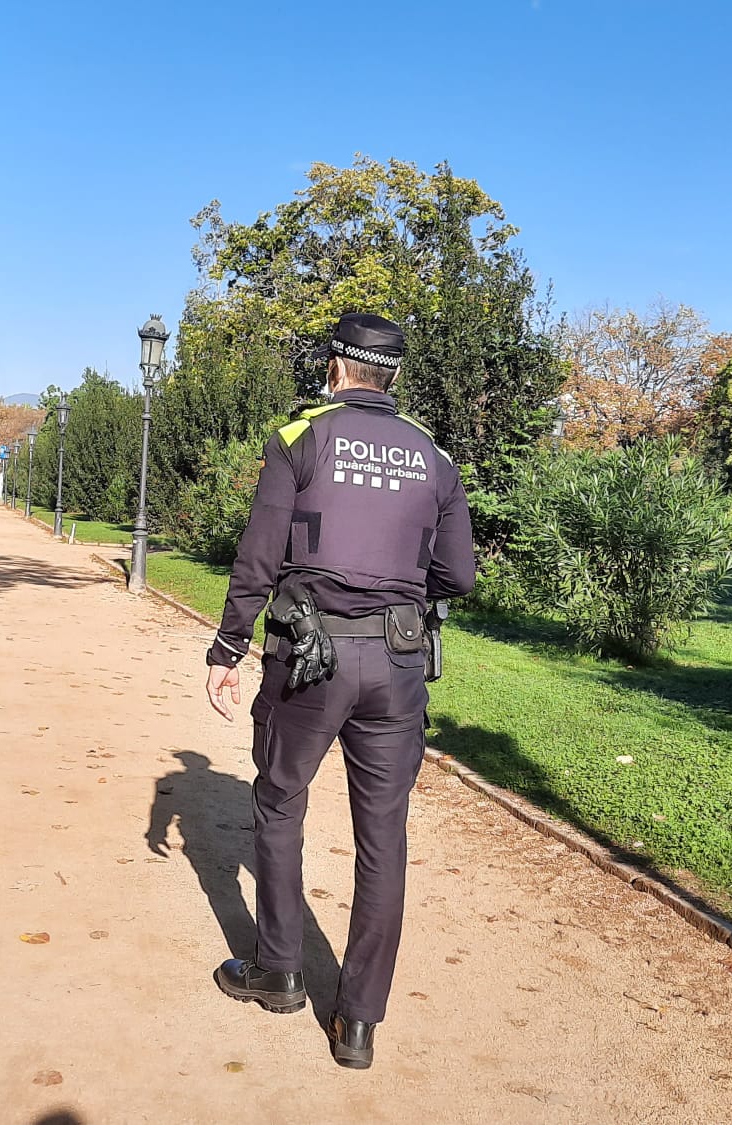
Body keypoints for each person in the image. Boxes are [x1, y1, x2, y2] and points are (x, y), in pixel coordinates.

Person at [202, 312, 476, 1070]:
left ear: (334, 368)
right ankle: (358, 1023)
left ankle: (280, 968)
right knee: (383, 837)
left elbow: (259, 554)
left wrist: (228, 646)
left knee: (281, 799)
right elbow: (459, 574)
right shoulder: (432, 455)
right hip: (397, 662)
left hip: (311, 655)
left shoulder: (301, 439)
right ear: (391, 377)